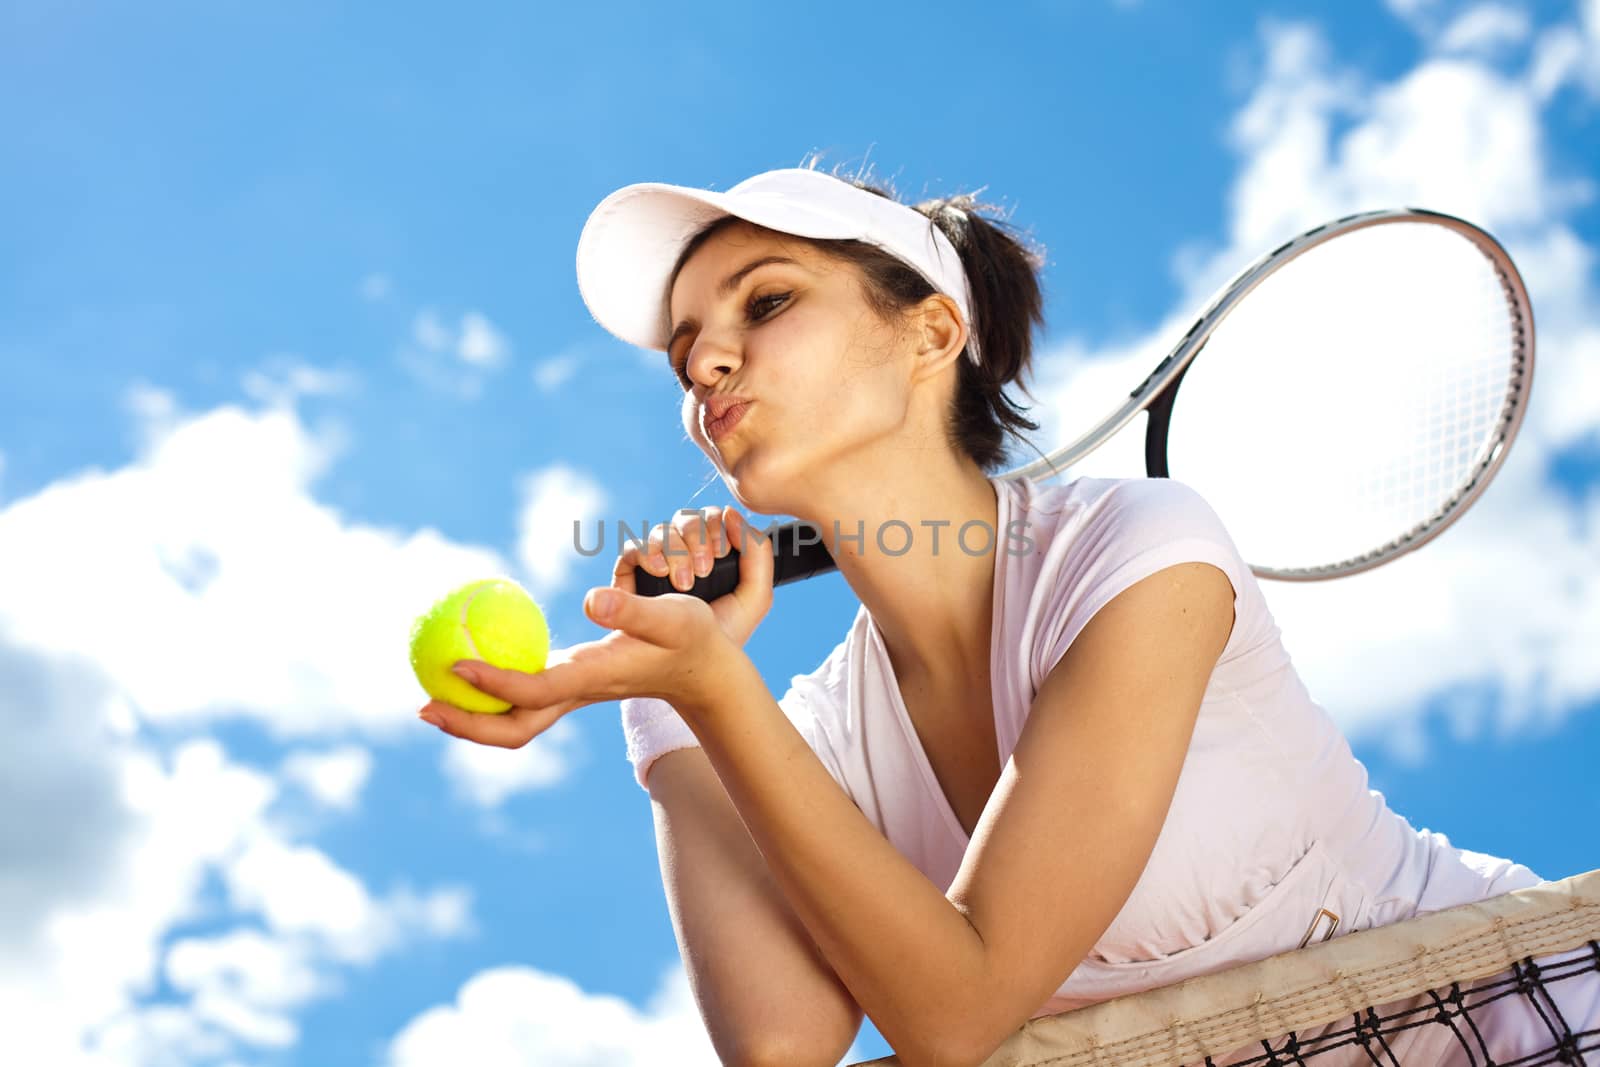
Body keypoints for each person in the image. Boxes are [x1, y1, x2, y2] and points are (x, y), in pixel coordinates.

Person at [417, 162, 1594, 1066]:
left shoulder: (1138, 550)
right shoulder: (818, 736)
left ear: (932, 329)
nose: (708, 365)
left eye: (763, 303)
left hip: (1535, 1018)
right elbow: (782, 1043)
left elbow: (959, 1006)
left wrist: (716, 692)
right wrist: (673, 714)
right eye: (684, 358)